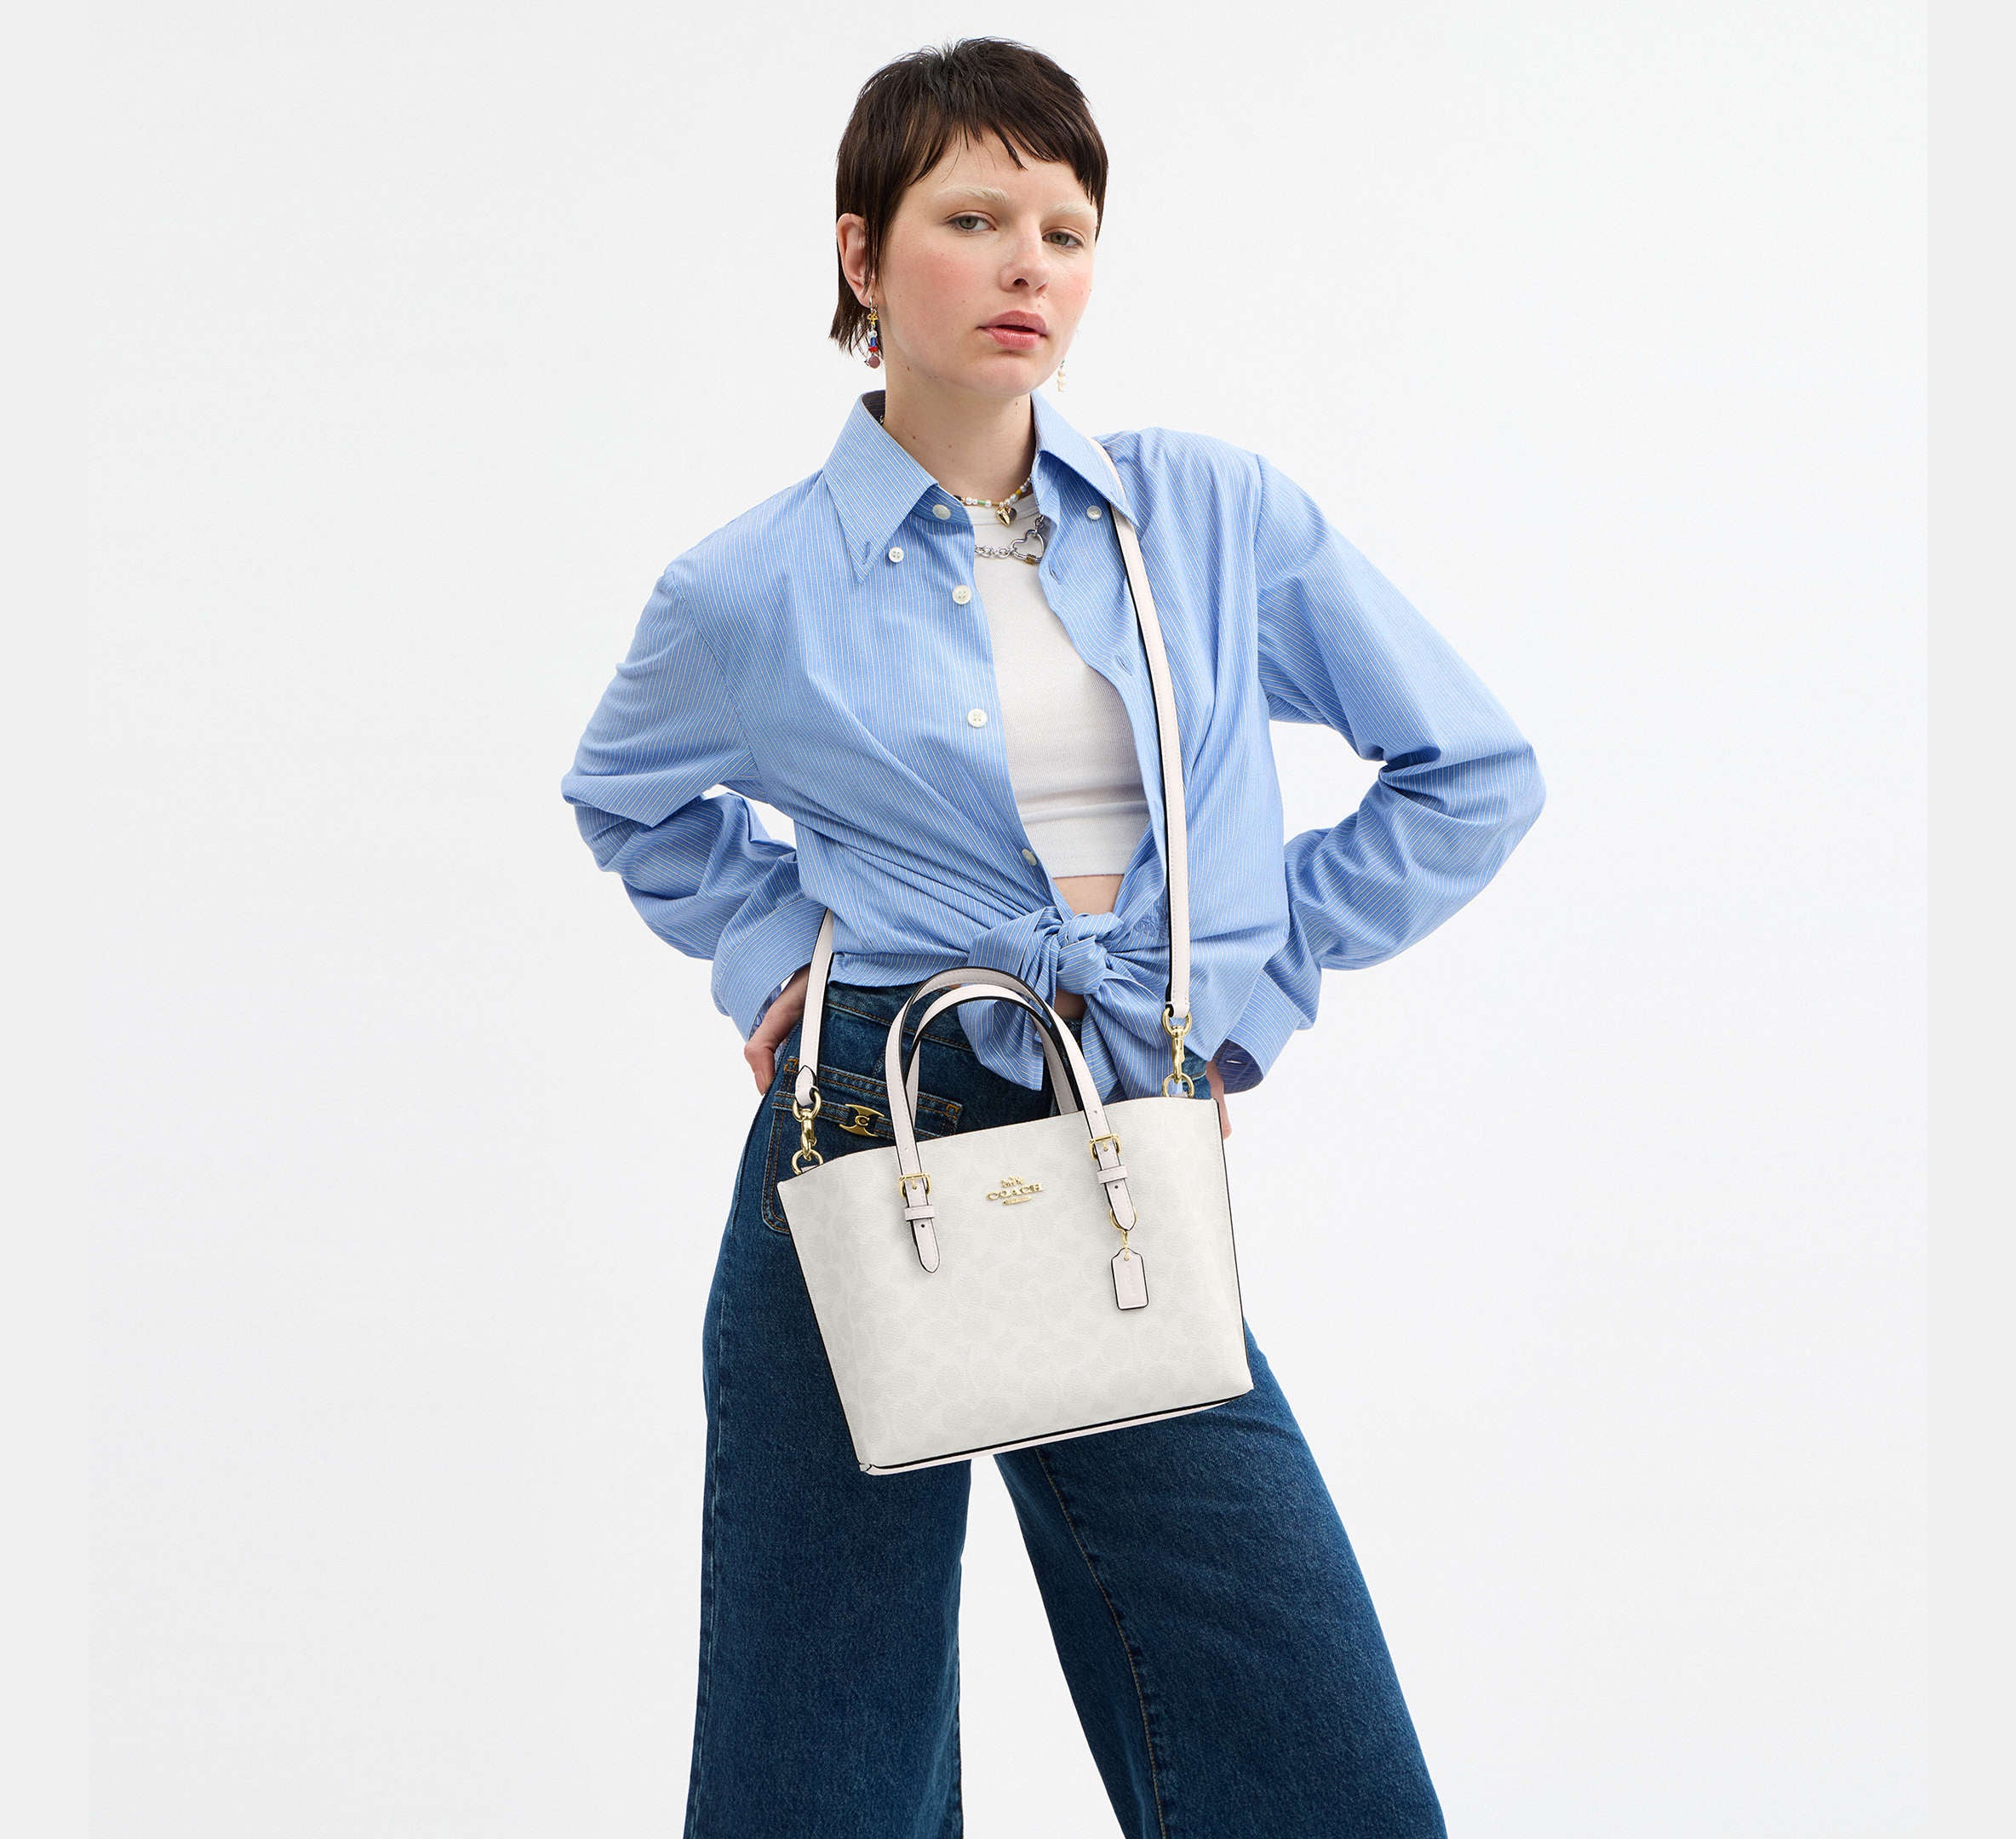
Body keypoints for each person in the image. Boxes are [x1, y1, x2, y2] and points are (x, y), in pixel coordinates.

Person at [560, 37, 1543, 1839]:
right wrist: (773, 959)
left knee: (1304, 1736)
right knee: (821, 1753)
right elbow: (623, 794)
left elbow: (1469, 772)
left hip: (1118, 1138)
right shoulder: (748, 587)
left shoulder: (1208, 514)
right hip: (864, 1126)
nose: (1029, 263)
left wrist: (1241, 994)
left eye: (1067, 229)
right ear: (862, 256)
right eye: (974, 217)